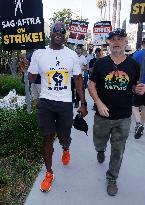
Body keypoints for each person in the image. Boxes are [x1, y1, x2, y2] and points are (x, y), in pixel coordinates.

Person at [19, 22, 88, 192]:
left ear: (65, 35)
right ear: (51, 33)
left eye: (62, 31)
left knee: (64, 136)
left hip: (65, 103)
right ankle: (49, 173)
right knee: (47, 137)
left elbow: (78, 79)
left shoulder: (71, 55)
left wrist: (83, 103)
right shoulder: (39, 54)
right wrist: (25, 70)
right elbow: (33, 77)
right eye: (55, 30)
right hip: (46, 103)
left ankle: (66, 147)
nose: (59, 33)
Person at [88, 28, 144, 196]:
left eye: (120, 39)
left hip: (123, 117)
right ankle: (100, 150)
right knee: (99, 142)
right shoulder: (100, 63)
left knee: (118, 149)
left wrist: (139, 89)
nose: (117, 42)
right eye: (113, 39)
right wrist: (98, 103)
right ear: (109, 42)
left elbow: (135, 86)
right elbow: (91, 85)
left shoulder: (133, 64)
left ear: (126, 42)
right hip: (102, 116)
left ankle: (112, 179)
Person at [132, 38, 145, 139]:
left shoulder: (137, 54)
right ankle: (141, 125)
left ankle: (138, 123)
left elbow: (132, 70)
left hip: (140, 85)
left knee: (135, 106)